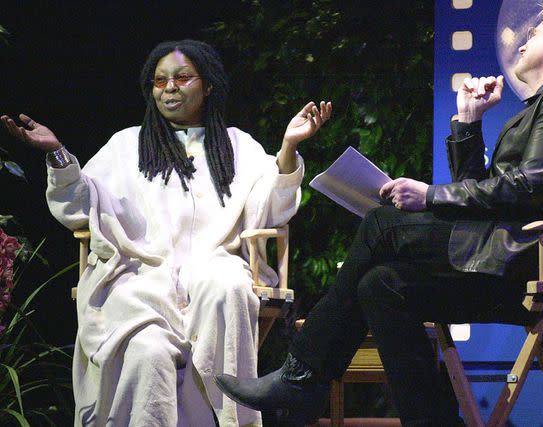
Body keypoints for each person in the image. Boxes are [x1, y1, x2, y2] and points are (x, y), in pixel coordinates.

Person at [214, 3, 543, 426]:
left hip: (537, 260)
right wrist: (468, 122)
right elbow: (489, 200)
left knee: (381, 226)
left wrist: (429, 195)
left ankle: (302, 376)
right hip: (515, 253)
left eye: (536, 32)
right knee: (381, 285)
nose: (524, 41)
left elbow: (526, 189)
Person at [2, 39, 331, 427]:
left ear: (207, 85)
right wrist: (56, 153)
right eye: (160, 81)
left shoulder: (236, 147)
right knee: (146, 352)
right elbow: (78, 206)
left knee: (226, 286)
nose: (170, 87)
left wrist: (289, 147)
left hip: (214, 269)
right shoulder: (127, 146)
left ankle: (234, 421)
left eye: (182, 77)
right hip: (140, 279)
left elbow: (272, 209)